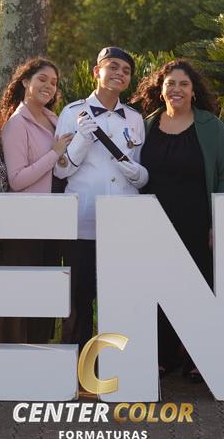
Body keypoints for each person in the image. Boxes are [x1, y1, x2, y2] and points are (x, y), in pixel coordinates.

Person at [131, 59, 224, 382]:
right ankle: (161, 355)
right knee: (157, 287)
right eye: (170, 84)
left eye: (184, 84)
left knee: (201, 286)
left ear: (194, 91)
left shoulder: (211, 126)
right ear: (160, 89)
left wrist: (220, 223)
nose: (177, 89)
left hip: (198, 223)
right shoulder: (145, 126)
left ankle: (198, 357)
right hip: (155, 223)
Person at [53, 46, 149, 352]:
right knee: (79, 296)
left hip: (123, 220)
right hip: (83, 219)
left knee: (121, 295)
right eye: (114, 67)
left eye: (126, 71)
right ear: (97, 71)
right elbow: (60, 169)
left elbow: (142, 173)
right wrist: (82, 139)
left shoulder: (134, 118)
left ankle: (119, 362)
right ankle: (75, 363)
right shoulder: (72, 113)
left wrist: (137, 172)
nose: (120, 74)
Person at [0, 58, 73, 344]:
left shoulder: (56, 120)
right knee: (19, 294)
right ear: (25, 81)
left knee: (44, 294)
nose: (49, 86)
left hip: (52, 222)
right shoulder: (16, 124)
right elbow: (17, 180)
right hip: (24, 224)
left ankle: (40, 354)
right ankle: (11, 355)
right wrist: (54, 153)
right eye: (42, 79)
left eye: (53, 82)